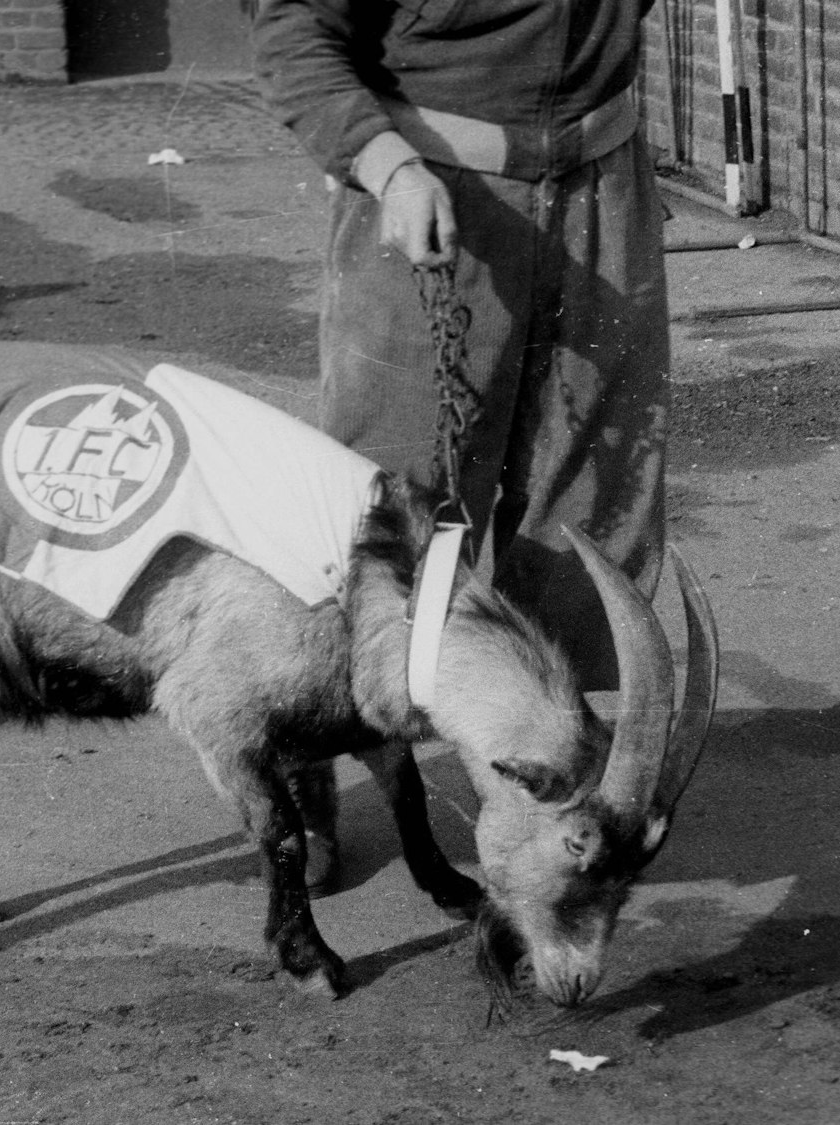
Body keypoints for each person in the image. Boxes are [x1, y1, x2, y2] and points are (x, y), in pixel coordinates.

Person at [254, 0, 671, 889]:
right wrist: (388, 166)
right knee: (389, 520)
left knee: (589, 510)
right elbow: (294, 32)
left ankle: (544, 786)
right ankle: (314, 783)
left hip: (602, 192)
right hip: (433, 190)